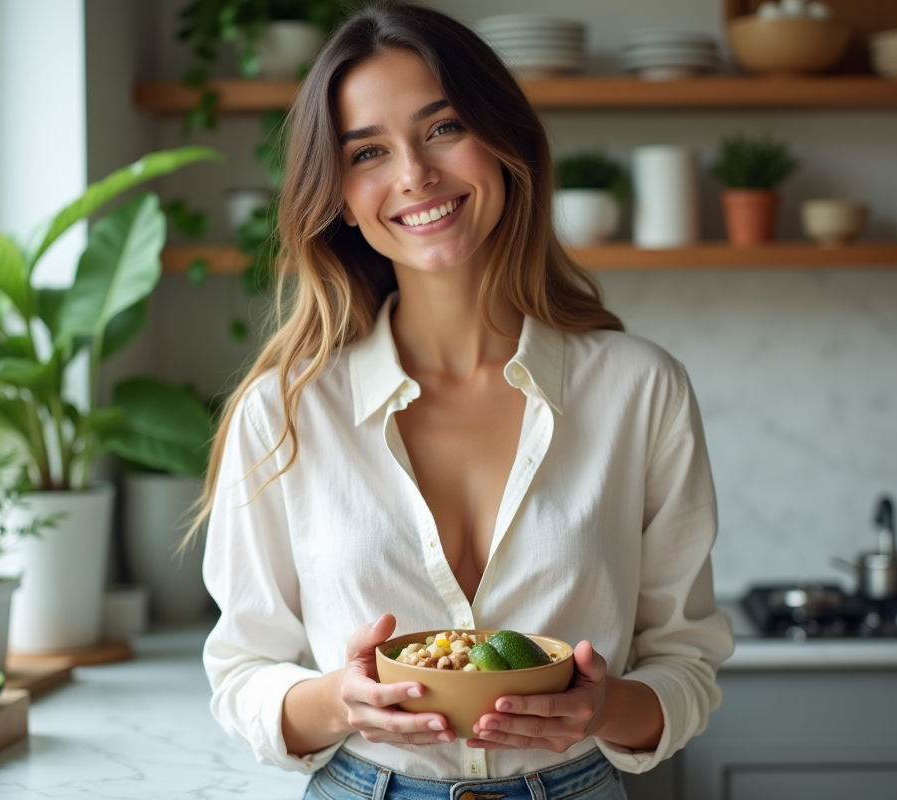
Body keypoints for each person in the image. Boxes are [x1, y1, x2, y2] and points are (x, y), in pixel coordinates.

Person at [191, 5, 734, 799]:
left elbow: (687, 662)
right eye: (368, 151)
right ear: (340, 196)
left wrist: (602, 707)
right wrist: (339, 700)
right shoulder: (283, 411)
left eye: (441, 128)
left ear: (504, 144)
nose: (413, 173)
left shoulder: (640, 389)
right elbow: (240, 671)